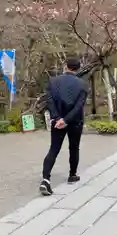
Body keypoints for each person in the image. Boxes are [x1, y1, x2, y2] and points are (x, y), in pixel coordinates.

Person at [40, 57, 88, 196]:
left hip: (57, 121)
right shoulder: (83, 85)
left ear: (66, 66)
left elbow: (49, 101)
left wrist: (57, 118)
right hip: (75, 121)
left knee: (54, 148)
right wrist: (66, 120)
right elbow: (79, 106)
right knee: (74, 147)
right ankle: (72, 174)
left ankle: (46, 179)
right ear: (78, 68)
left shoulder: (53, 81)